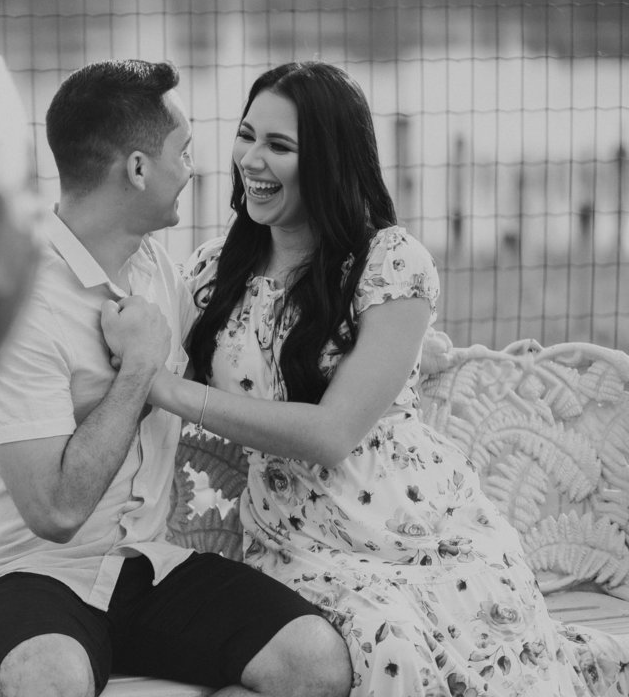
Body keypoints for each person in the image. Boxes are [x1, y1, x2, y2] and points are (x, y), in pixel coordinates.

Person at [103, 60, 629, 696]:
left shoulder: (390, 263)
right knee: (387, 646)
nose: (251, 160)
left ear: (328, 159)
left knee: (463, 661)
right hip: (297, 543)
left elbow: (332, 434)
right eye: (246, 135)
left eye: (279, 146)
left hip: (424, 531)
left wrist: (165, 388)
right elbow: (134, 351)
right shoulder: (213, 274)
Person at [0, 59, 353, 697]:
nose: (193, 169)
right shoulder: (17, 303)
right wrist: (139, 369)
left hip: (148, 569)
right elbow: (55, 511)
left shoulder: (163, 273)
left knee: (315, 660)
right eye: (182, 152)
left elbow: (252, 350)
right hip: (26, 576)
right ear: (138, 169)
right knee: (49, 679)